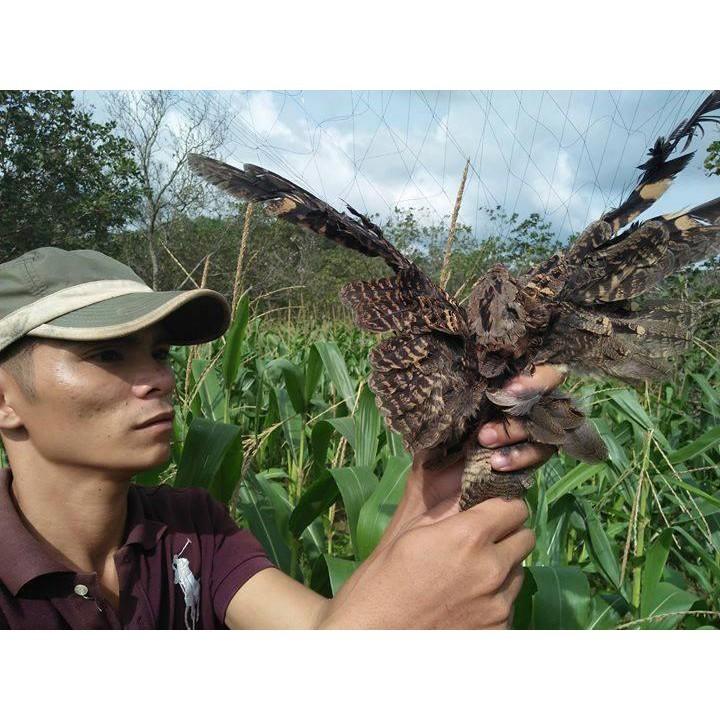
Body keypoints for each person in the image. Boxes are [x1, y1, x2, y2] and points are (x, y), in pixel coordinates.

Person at [0, 247, 561, 629]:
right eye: (107, 354)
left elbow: (325, 630)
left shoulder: (188, 532)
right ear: (6, 400)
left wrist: (422, 495)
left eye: (160, 353)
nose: (160, 379)